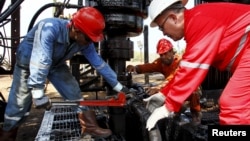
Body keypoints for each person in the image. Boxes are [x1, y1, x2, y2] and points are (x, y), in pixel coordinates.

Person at [0, 7, 129, 140]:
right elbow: (41, 59)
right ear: (76, 29)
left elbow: (99, 63)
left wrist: (118, 86)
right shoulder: (49, 28)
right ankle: (7, 135)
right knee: (19, 106)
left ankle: (89, 128)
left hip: (55, 65)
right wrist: (38, 92)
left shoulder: (84, 41)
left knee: (74, 92)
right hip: (28, 64)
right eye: (89, 38)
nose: (91, 42)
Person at [145, 0, 250, 131]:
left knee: (233, 105)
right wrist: (164, 94)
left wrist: (167, 108)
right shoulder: (196, 21)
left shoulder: (199, 20)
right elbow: (186, 69)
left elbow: (192, 70)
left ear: (173, 18)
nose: (163, 33)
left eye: (161, 27)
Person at [127, 38, 202, 125]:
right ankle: (175, 113)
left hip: (188, 88)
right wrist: (136, 68)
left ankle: (196, 114)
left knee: (193, 91)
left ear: (171, 51)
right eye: (161, 55)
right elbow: (150, 66)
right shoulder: (162, 62)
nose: (163, 57)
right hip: (174, 89)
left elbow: (173, 79)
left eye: (165, 54)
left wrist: (158, 88)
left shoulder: (180, 62)